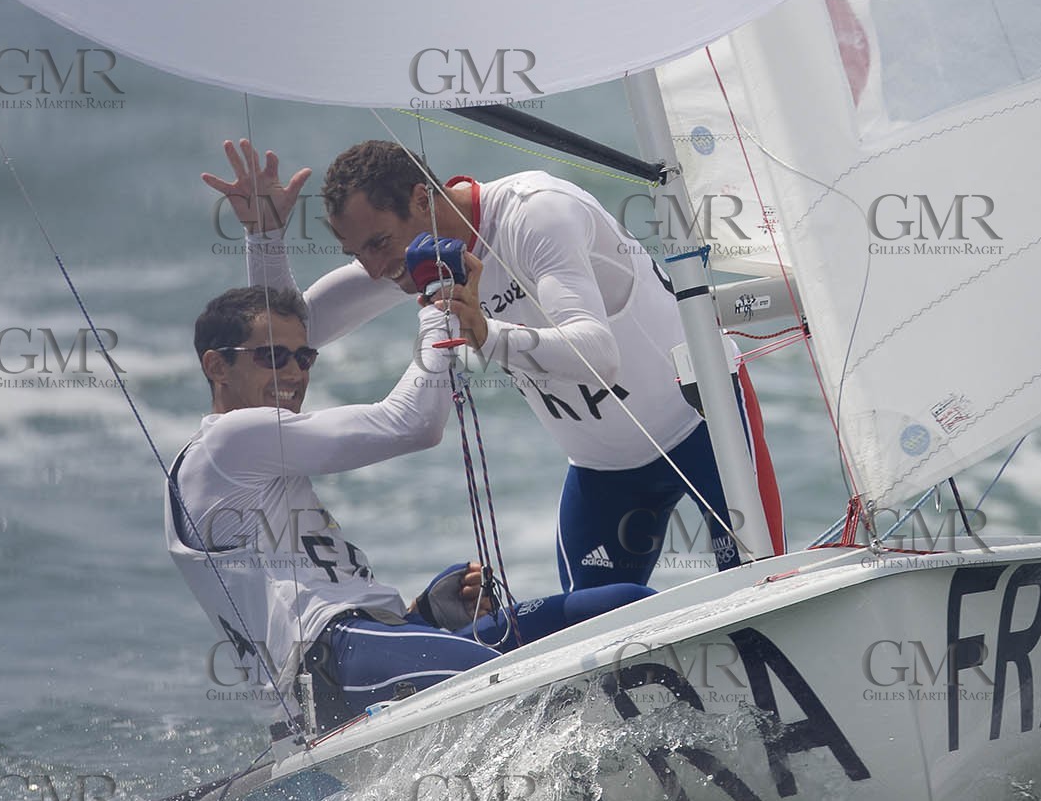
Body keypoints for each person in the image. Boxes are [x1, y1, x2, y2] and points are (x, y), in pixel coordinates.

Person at [203, 139, 743, 593]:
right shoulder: (411, 257)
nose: (373, 268)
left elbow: (597, 354)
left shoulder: (535, 215)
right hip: (604, 473)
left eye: (378, 243)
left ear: (422, 199)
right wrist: (266, 237)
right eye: (357, 251)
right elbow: (284, 336)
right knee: (604, 660)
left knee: (753, 598)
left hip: (705, 431)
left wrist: (488, 334)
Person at [165, 282, 650, 734]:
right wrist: (439, 318)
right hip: (329, 666)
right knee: (532, 690)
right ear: (217, 367)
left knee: (621, 603)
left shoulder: (262, 457)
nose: (294, 373)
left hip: (374, 642)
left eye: (304, 356)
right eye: (273, 357)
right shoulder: (226, 444)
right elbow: (411, 424)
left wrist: (426, 614)